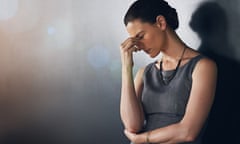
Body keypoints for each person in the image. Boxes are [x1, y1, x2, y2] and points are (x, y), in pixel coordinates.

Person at [119, 0, 217, 144]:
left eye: (140, 36)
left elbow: (188, 132)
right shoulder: (144, 73)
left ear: (160, 22)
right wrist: (126, 68)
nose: (138, 46)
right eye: (134, 40)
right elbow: (132, 126)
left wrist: (142, 139)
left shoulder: (202, 67)